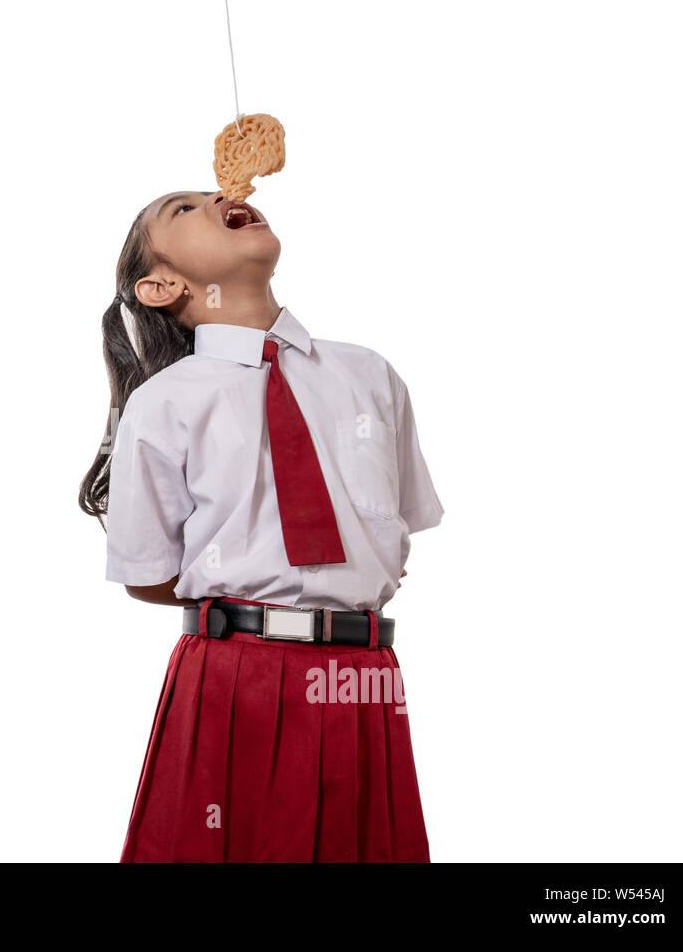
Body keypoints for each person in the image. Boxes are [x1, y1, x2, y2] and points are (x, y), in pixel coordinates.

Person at [80, 190, 444, 862]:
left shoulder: (371, 375)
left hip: (360, 677)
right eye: (183, 210)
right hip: (231, 677)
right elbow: (151, 576)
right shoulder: (162, 404)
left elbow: (398, 530)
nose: (223, 195)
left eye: (214, 194)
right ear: (161, 286)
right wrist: (256, 611)